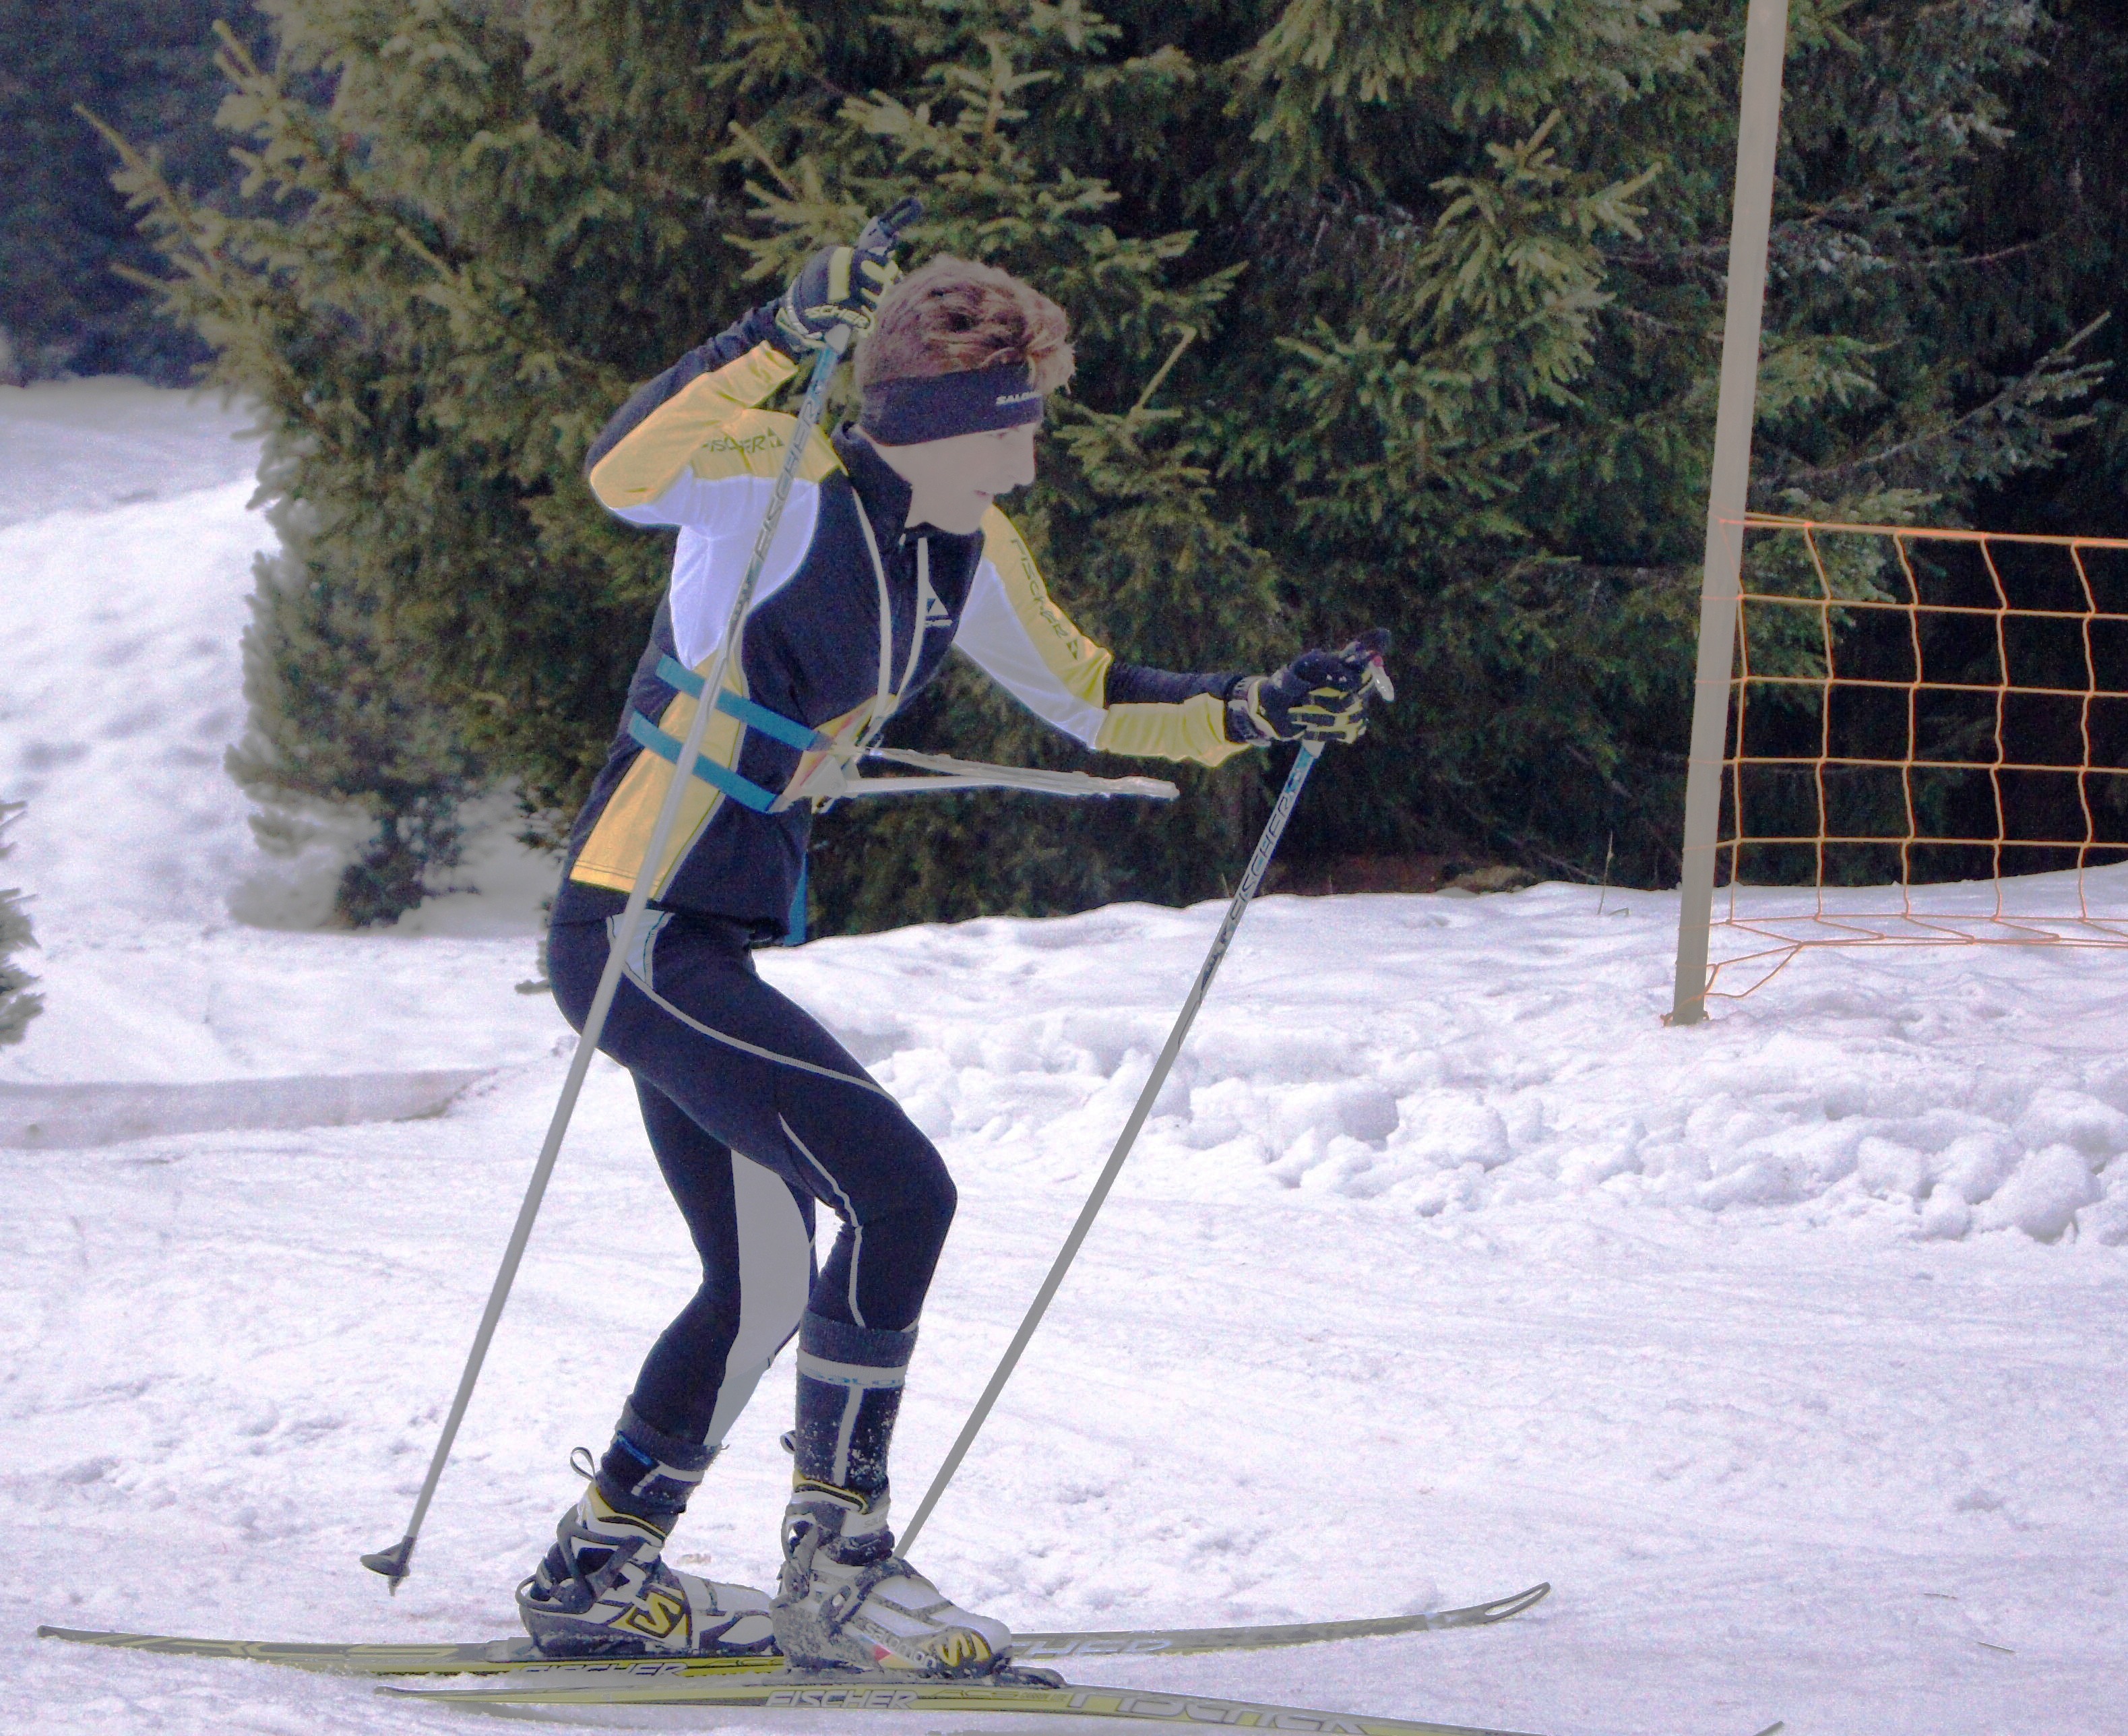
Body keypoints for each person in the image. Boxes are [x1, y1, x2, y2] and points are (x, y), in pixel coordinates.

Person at [518, 238, 1387, 1676]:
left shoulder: (965, 544)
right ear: (949, 417)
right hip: (638, 924)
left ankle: (597, 1569)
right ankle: (840, 1566)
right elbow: (621, 471)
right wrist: (771, 333)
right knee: (901, 1191)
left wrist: (1259, 705)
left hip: (706, 935)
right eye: (1021, 410)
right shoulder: (778, 484)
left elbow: (1095, 696)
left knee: (766, 1279)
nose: (1037, 442)